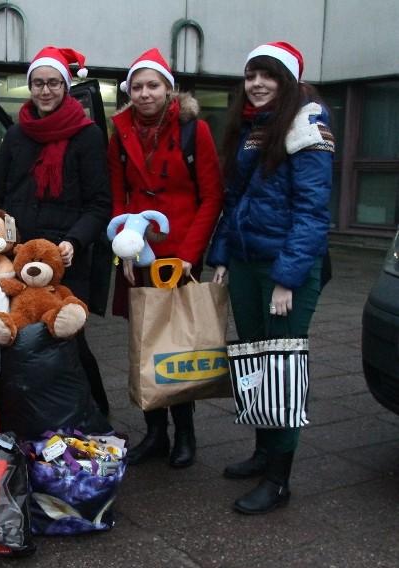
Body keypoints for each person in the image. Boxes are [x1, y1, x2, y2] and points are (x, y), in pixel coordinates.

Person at [207, 42, 333, 514]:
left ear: (288, 80)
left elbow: (313, 214)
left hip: (286, 270)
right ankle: (263, 453)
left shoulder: (308, 124)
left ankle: (278, 481)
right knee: (255, 358)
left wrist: (287, 278)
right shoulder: (250, 126)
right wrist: (222, 255)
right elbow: (235, 198)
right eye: (250, 75)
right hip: (244, 262)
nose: (256, 84)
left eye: (268, 76)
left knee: (281, 366)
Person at [107, 48, 223, 468]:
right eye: (136, 86)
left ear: (168, 89)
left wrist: (192, 255)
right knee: (145, 341)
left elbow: (211, 197)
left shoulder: (196, 130)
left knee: (178, 346)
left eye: (152, 85)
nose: (144, 93)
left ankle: (185, 433)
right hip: (137, 251)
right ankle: (155, 432)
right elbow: (118, 194)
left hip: (180, 253)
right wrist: (123, 246)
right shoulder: (119, 131)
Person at [0, 45, 112, 417]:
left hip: (65, 256)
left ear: (65, 86)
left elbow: (99, 203)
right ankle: (31, 415)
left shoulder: (86, 136)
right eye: (38, 83)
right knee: (20, 336)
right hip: (20, 254)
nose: (45, 90)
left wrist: (75, 240)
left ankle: (96, 415)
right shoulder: (18, 134)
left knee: (71, 339)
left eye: (53, 83)